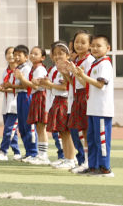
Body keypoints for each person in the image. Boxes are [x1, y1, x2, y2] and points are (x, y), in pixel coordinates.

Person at [68, 35, 115, 177]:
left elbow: (100, 84)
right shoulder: (95, 64)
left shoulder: (105, 64)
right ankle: (93, 167)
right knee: (93, 139)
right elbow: (86, 84)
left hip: (102, 109)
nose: (94, 48)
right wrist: (77, 74)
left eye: (98, 46)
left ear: (108, 48)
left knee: (101, 140)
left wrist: (83, 75)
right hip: (92, 108)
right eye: (93, 45)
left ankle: (105, 168)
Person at [43, 41, 76, 170]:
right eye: (55, 54)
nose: (57, 56)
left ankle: (71, 159)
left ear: (67, 55)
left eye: (61, 54)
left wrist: (49, 85)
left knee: (67, 132)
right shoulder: (54, 69)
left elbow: (64, 87)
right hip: (56, 100)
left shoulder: (67, 68)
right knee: (62, 132)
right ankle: (66, 158)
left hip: (65, 101)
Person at [67, 31, 94, 173]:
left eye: (83, 42)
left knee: (86, 130)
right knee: (81, 130)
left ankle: (88, 162)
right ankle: (84, 161)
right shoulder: (77, 60)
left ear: (90, 45)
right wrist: (68, 72)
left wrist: (75, 72)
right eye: (77, 42)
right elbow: (73, 83)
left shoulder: (89, 61)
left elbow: (86, 83)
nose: (79, 45)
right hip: (77, 96)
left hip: (85, 96)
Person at [9, 45, 39, 163]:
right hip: (20, 96)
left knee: (29, 124)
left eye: (19, 55)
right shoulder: (18, 68)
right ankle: (28, 152)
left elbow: (26, 85)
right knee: (21, 125)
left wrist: (12, 85)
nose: (16, 57)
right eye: (15, 55)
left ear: (26, 57)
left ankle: (33, 152)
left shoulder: (26, 68)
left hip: (27, 96)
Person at [0, 46, 21, 161]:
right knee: (11, 129)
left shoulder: (19, 71)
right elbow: (3, 85)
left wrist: (2, 89)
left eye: (13, 53)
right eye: (8, 53)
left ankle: (3, 151)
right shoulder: (6, 71)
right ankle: (17, 152)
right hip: (6, 104)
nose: (11, 56)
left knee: (9, 129)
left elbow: (19, 87)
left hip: (15, 104)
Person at [25, 46, 51, 165]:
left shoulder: (40, 69)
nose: (32, 55)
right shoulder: (34, 68)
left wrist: (21, 78)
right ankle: (40, 155)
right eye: (31, 53)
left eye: (36, 54)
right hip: (37, 97)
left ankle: (43, 156)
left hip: (41, 96)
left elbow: (36, 86)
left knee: (41, 127)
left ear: (43, 57)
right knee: (39, 127)